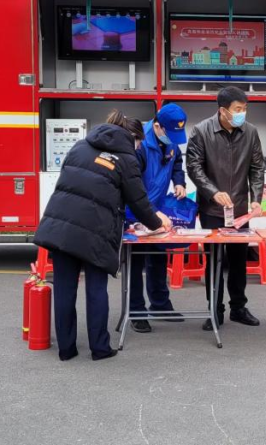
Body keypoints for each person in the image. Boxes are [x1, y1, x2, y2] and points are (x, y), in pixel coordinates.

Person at [35, 111, 172, 361]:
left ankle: (66, 349)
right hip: (96, 232)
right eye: (138, 143)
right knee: (96, 289)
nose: (138, 148)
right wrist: (157, 223)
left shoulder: (80, 146)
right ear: (132, 137)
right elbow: (139, 202)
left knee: (64, 290)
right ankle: (99, 348)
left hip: (61, 226)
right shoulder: (126, 159)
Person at [186, 86, 265, 330]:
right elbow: (194, 167)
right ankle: (215, 311)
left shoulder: (250, 132)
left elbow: (257, 167)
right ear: (223, 110)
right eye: (238, 109)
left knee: (239, 261)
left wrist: (256, 198)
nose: (242, 113)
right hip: (212, 209)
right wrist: (212, 192)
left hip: (240, 211)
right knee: (214, 261)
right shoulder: (201, 131)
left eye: (245, 108)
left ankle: (238, 308)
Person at [128, 104, 190, 333]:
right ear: (156, 126)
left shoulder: (170, 140)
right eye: (169, 133)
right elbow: (133, 185)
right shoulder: (140, 145)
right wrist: (149, 212)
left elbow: (177, 163)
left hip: (159, 208)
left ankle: (160, 305)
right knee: (135, 263)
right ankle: (136, 312)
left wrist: (179, 182)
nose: (173, 139)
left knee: (158, 258)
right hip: (136, 210)